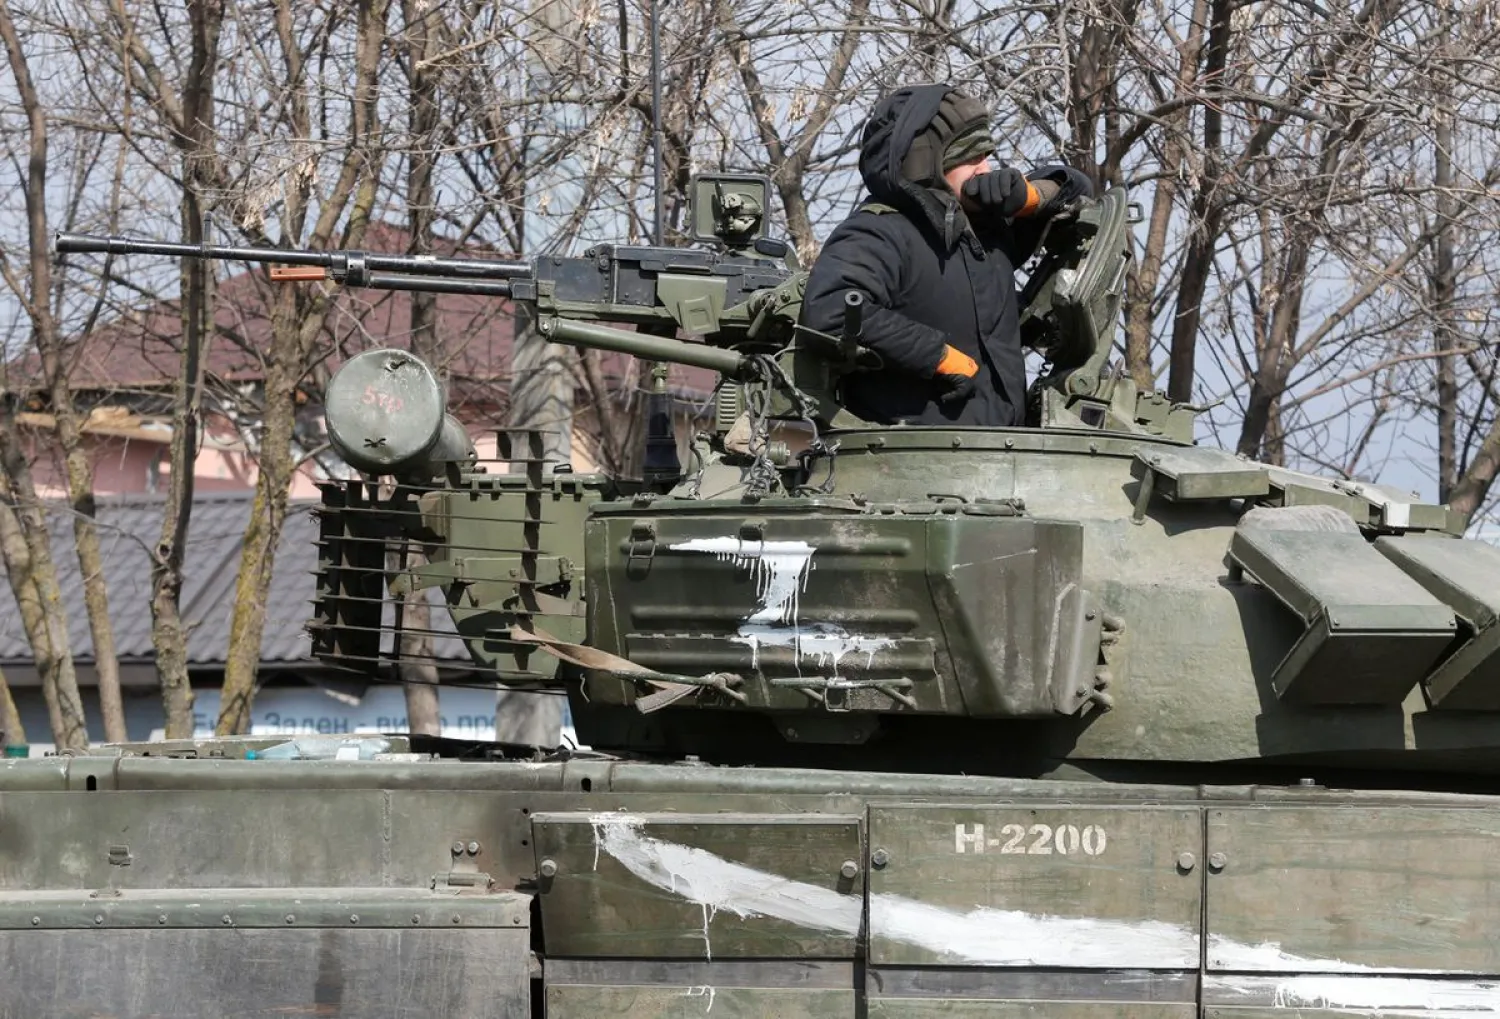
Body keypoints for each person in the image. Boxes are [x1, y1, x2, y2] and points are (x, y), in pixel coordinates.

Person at [801, 83, 1093, 426]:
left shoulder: (988, 230)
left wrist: (1030, 196)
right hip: (911, 449)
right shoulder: (880, 232)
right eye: (970, 158)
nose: (984, 169)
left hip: (1004, 448)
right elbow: (830, 309)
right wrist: (937, 355)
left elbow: (1079, 192)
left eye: (985, 155)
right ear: (927, 164)